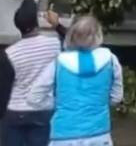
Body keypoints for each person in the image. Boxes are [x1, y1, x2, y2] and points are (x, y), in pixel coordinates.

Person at [0, 0, 67, 146]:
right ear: (37, 22)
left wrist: (1, 117)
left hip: (15, 111)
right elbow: (76, 42)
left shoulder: (10, 53)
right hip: (44, 110)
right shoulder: (54, 45)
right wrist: (57, 25)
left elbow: (3, 91)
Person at [47, 16, 124, 146]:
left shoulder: (58, 62)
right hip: (99, 133)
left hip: (63, 135)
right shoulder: (110, 59)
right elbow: (117, 98)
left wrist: (58, 105)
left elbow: (35, 97)